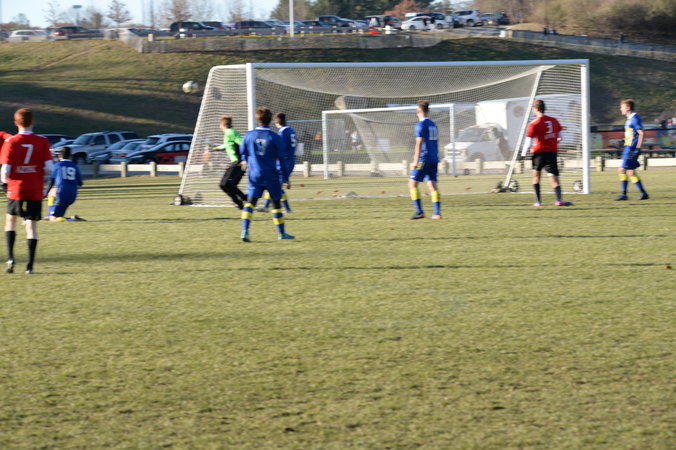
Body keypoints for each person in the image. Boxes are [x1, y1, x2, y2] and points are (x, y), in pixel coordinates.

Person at [1, 108, 53, 274]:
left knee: (11, 221)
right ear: (33, 122)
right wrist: (37, 173)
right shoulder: (42, 141)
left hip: (16, 188)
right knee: (31, 225)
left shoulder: (11, 142)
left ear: (16, 123)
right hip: (35, 188)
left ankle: (11, 258)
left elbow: (5, 170)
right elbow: (49, 168)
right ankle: (30, 266)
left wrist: (6, 183)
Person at [239, 107, 294, 242]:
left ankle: (245, 231)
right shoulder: (275, 137)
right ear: (270, 120)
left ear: (257, 119)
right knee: (276, 204)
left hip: (255, 174)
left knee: (250, 203)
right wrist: (285, 178)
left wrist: (246, 161)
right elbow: (281, 159)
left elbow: (242, 152)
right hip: (271, 175)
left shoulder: (249, 135)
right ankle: (281, 233)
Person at [523, 99, 573, 207]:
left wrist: (524, 153)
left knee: (536, 177)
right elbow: (561, 138)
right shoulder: (554, 121)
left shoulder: (533, 124)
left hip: (538, 154)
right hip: (551, 153)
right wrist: (552, 142)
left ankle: (538, 202)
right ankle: (559, 200)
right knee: (554, 178)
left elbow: (528, 142)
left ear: (536, 109)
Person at [409, 100, 441, 220]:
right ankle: (437, 213)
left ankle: (419, 212)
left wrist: (415, 161)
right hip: (434, 158)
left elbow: (419, 144)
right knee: (432, 184)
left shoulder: (420, 125)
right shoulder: (433, 124)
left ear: (418, 111)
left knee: (412, 184)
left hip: (424, 158)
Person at [258, 112, 296, 213]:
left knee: (275, 185)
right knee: (274, 184)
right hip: (290, 159)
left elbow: (280, 148)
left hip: (285, 161)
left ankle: (285, 209)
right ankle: (268, 206)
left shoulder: (282, 133)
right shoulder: (291, 130)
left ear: (276, 122)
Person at [209, 115, 246, 209]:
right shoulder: (228, 133)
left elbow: (242, 143)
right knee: (226, 185)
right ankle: (239, 202)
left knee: (225, 184)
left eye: (219, 124)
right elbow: (226, 145)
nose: (219, 126)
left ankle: (244, 199)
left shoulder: (231, 132)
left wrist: (244, 159)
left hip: (238, 162)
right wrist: (215, 148)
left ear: (222, 125)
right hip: (235, 162)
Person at [615, 99, 649, 201]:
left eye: (622, 107)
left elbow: (641, 133)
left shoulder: (634, 118)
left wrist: (638, 148)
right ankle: (643, 193)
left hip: (631, 150)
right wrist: (623, 140)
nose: (620, 109)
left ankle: (624, 194)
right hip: (628, 148)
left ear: (628, 108)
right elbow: (632, 135)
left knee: (622, 170)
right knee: (630, 172)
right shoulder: (629, 119)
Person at [45, 146, 84, 222]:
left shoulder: (57, 165)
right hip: (72, 194)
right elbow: (80, 183)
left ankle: (72, 219)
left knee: (53, 218)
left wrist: (45, 193)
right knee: (59, 215)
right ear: (70, 156)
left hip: (61, 195)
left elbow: (51, 181)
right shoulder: (74, 166)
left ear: (60, 156)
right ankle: (52, 214)